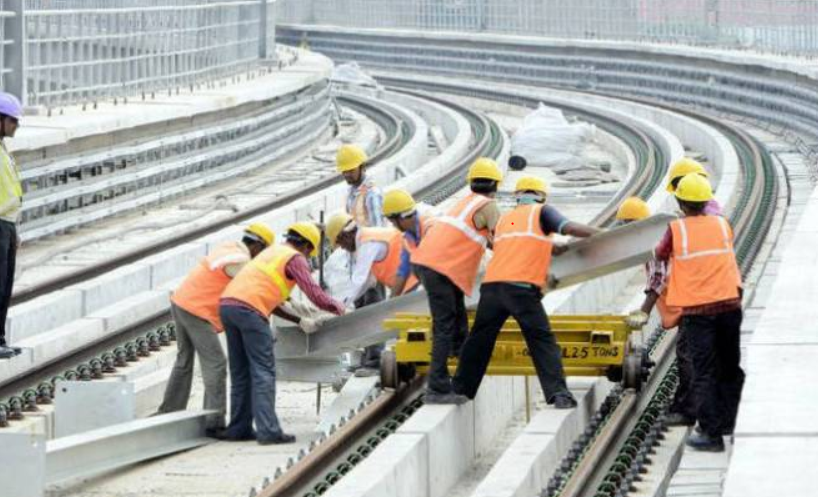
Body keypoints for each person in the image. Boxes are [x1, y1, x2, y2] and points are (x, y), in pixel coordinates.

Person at [451, 176, 600, 408]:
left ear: (517, 196)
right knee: (541, 340)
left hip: (492, 288)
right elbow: (570, 227)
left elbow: (517, 244)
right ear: (541, 196)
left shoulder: (506, 220)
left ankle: (460, 390)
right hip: (520, 289)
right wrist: (600, 234)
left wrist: (550, 247)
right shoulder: (541, 212)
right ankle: (559, 394)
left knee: (479, 340)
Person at [218, 222, 345, 445]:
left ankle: (238, 428)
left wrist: (299, 319)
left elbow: (272, 302)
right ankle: (268, 431)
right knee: (263, 371)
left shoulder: (270, 253)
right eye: (309, 252)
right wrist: (339, 309)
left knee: (240, 371)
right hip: (249, 311)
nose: (308, 257)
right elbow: (314, 293)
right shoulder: (294, 258)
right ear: (305, 245)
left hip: (228, 306)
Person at [156, 224, 274, 435]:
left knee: (184, 361)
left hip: (181, 301)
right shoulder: (240, 262)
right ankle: (213, 421)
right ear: (257, 246)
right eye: (263, 252)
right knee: (217, 363)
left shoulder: (230, 248)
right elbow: (251, 292)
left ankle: (169, 411)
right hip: (196, 311)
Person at [655, 173, 744, 452]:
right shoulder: (722, 224)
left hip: (698, 312)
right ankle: (728, 421)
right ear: (707, 201)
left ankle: (711, 434)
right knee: (729, 367)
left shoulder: (676, 229)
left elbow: (659, 253)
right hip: (730, 304)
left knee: (704, 371)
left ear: (681, 202)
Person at [410, 158, 504, 403]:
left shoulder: (464, 202)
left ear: (471, 183)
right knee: (445, 326)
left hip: (428, 263)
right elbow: (502, 237)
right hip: (440, 268)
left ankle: (460, 373)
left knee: (458, 320)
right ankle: (437, 387)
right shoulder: (489, 206)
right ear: (496, 184)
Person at [336, 144, 386, 366]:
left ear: (362, 167)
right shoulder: (351, 193)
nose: (347, 174)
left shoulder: (372, 194)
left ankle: (375, 357)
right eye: (344, 171)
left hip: (372, 262)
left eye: (350, 170)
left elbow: (377, 230)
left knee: (374, 308)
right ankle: (366, 354)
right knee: (361, 308)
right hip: (357, 260)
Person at [0, 92, 23, 360]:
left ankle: (1, 339)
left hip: (7, 224)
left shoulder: (3, 148)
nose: (16, 126)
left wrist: (16, 228)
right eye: (13, 121)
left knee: (5, 286)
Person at [382, 189, 433, 296]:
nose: (393, 226)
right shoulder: (409, 237)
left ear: (401, 218)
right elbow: (403, 272)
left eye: (392, 222)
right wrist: (391, 302)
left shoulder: (430, 227)